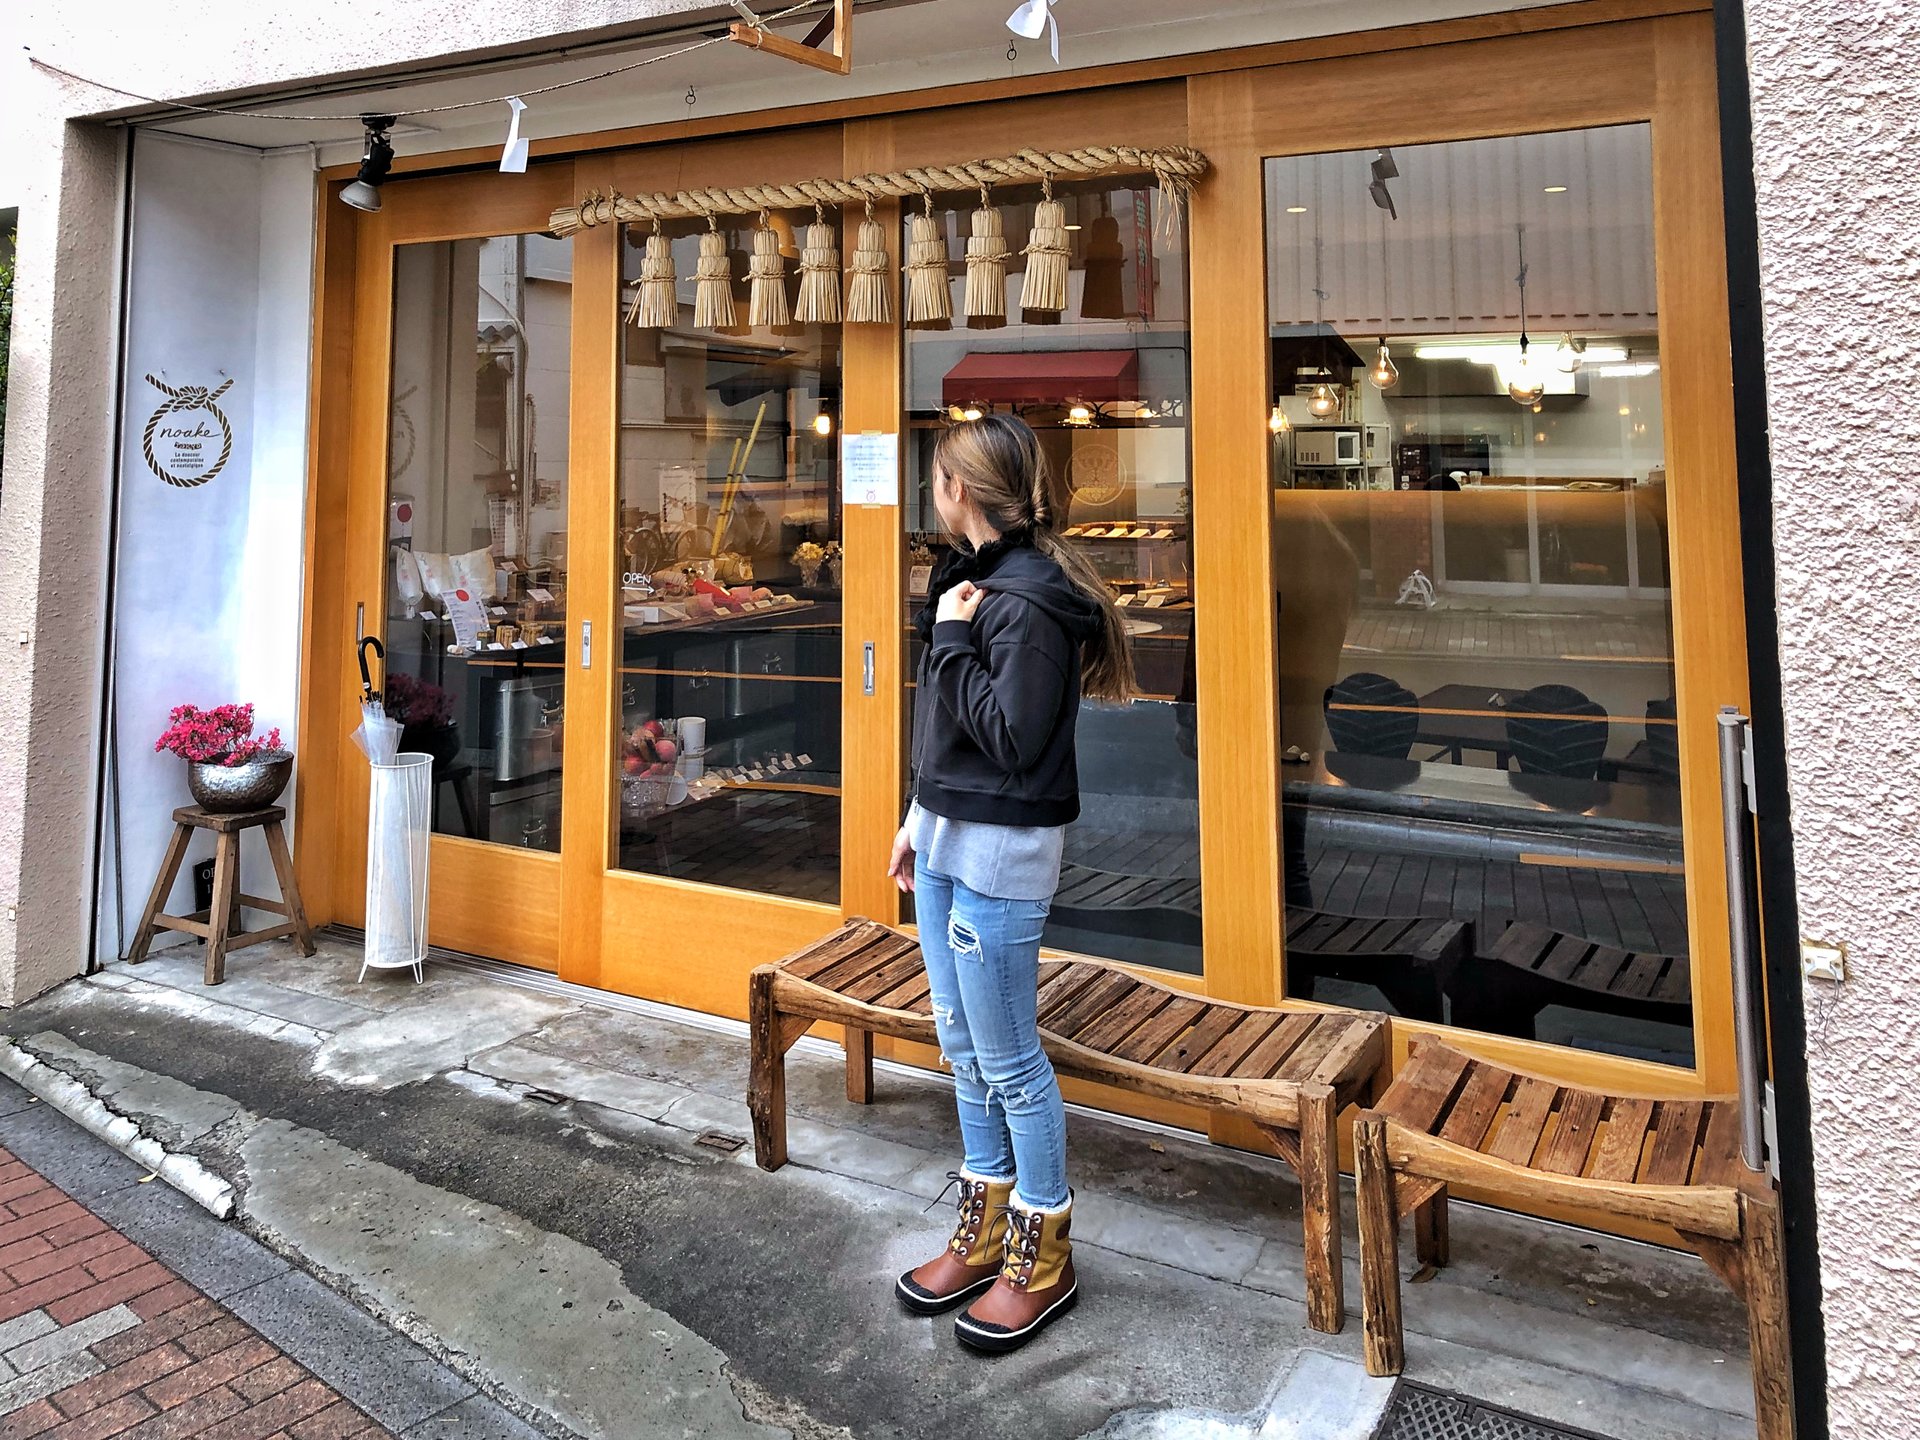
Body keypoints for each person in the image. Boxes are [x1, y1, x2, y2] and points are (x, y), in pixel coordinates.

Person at [886, 413, 1136, 1353]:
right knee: (961, 1043)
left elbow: (1015, 743)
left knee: (1011, 1061)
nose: (930, 490)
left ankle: (1044, 1249)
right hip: (952, 840)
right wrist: (917, 821)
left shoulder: (1022, 601)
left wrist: (952, 645)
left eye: (938, 476)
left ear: (963, 490)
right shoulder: (973, 584)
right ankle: (985, 1228)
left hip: (999, 855)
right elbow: (949, 734)